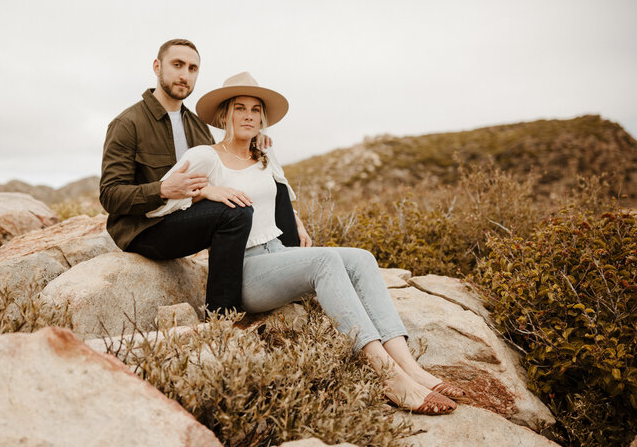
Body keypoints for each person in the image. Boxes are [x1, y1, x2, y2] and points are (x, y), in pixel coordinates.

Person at [146, 71, 465, 415]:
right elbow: (162, 200)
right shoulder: (206, 156)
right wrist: (205, 190)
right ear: (225, 114)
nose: (249, 115)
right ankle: (387, 375)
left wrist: (294, 219)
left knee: (362, 258)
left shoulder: (265, 157)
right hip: (244, 269)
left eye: (256, 109)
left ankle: (411, 368)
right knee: (323, 261)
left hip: (279, 255)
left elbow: (281, 194)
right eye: (240, 108)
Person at [99, 39, 299, 313]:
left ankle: (293, 276)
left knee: (269, 184)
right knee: (233, 213)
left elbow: (225, 172)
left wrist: (255, 146)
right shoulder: (128, 124)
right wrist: (164, 189)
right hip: (145, 229)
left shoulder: (196, 127)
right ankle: (222, 316)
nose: (185, 75)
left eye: (193, 68)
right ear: (158, 67)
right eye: (177, 65)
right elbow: (110, 196)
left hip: (187, 220)